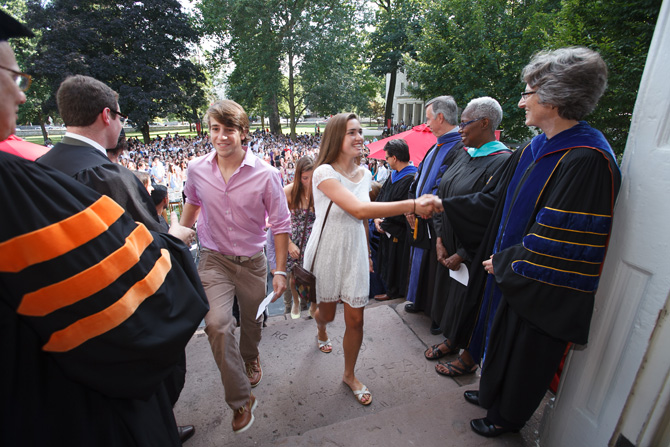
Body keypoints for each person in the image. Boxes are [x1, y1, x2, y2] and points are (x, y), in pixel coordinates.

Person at [0, 11, 208, 446]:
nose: (19, 97)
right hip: (97, 386)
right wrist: (175, 240)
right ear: (107, 115)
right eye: (14, 77)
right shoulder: (102, 177)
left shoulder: (43, 167)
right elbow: (143, 275)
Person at [430, 47, 621, 437]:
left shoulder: (586, 158)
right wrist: (444, 205)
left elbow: (563, 241)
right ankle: (491, 393)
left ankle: (507, 417)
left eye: (528, 92)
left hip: (535, 281)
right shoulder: (536, 148)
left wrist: (507, 262)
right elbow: (496, 204)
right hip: (505, 268)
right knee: (500, 335)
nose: (521, 102)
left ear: (554, 96)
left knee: (525, 348)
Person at [302, 113, 434, 406]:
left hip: (355, 252)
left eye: (360, 131)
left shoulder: (364, 174)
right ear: (337, 137)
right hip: (327, 250)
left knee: (356, 319)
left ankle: (349, 374)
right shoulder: (324, 172)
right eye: (352, 132)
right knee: (326, 314)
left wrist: (368, 253)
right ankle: (321, 327)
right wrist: (414, 204)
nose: (359, 137)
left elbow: (361, 219)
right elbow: (360, 210)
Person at [179, 99, 291, 434]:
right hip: (213, 260)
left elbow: (281, 224)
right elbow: (192, 204)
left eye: (228, 129)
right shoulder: (197, 169)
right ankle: (240, 400)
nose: (221, 136)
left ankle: (250, 356)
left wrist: (280, 270)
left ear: (243, 132)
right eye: (215, 129)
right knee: (217, 324)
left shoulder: (267, 175)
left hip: (253, 262)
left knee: (252, 326)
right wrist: (177, 241)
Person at [37, 75, 194, 245]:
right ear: (106, 115)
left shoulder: (38, 166)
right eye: (119, 118)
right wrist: (175, 239)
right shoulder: (108, 177)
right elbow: (146, 245)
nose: (120, 125)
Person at [424, 97, 512, 377]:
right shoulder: (464, 152)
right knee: (451, 300)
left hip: (472, 252)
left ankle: (468, 357)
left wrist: (461, 252)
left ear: (484, 123)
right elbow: (443, 194)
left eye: (465, 123)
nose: (459, 129)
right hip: (447, 242)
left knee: (469, 302)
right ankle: (451, 340)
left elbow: (487, 213)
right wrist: (439, 238)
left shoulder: (502, 162)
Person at [404, 96, 464, 332]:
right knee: (421, 263)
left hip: (439, 219)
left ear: (441, 117)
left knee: (436, 268)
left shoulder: (458, 146)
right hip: (421, 215)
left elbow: (446, 183)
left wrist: (429, 207)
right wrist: (411, 204)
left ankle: (437, 314)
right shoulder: (436, 143)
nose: (426, 123)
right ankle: (420, 301)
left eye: (428, 118)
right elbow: (419, 177)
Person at [372, 139, 418, 301]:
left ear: (395, 158)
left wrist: (384, 223)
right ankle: (390, 289)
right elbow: (381, 199)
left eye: (387, 157)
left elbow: (403, 208)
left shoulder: (412, 178)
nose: (386, 160)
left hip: (399, 231)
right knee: (387, 260)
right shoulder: (394, 176)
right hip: (386, 228)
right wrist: (377, 217)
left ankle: (395, 292)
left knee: (397, 262)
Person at [283, 156, 317, 319]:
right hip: (295, 239)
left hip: (314, 239)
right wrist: (289, 243)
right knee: (294, 274)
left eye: (312, 177)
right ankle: (296, 303)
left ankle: (312, 304)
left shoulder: (320, 191)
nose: (309, 182)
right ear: (298, 176)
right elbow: (277, 221)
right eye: (305, 178)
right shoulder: (288, 191)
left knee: (314, 275)